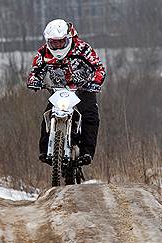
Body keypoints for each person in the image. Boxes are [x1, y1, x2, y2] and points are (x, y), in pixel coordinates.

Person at [27, 19, 106, 166]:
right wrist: (34, 81)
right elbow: (35, 72)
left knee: (91, 116)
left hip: (83, 89)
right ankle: (45, 151)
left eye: (60, 42)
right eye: (53, 42)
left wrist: (94, 82)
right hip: (58, 91)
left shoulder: (82, 49)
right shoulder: (43, 53)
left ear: (68, 39)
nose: (57, 46)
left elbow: (99, 68)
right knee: (47, 115)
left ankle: (87, 152)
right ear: (48, 41)